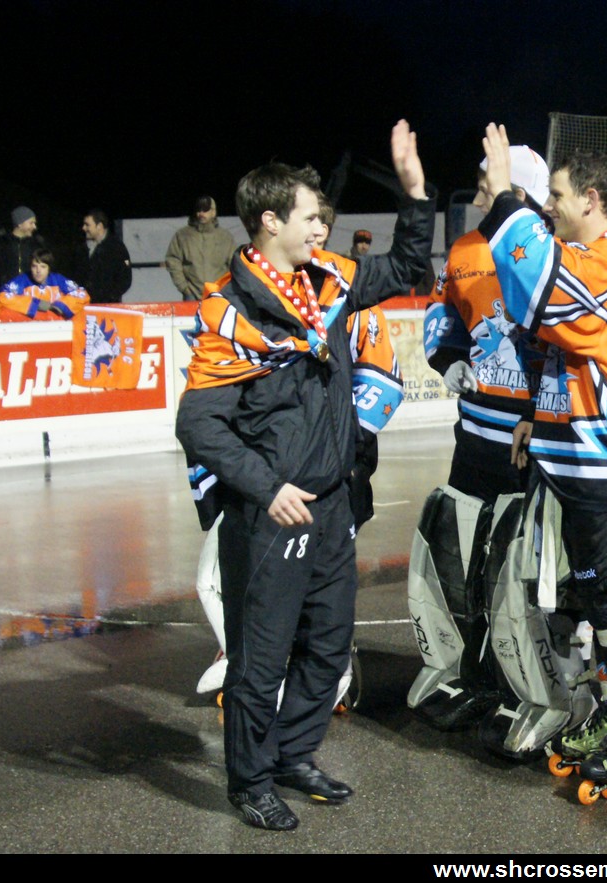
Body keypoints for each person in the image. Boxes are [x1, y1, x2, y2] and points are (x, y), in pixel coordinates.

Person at [175, 120, 433, 832]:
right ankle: (249, 779)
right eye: (311, 216)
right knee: (260, 661)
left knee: (327, 646)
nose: (322, 227)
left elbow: (405, 266)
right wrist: (266, 487)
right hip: (272, 515)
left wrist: (415, 195)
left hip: (332, 504)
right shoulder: (230, 313)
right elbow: (198, 425)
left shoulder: (330, 281)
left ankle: (292, 754)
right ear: (269, 221)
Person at [478, 125, 607, 800]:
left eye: (556, 196)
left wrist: (506, 196)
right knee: (595, 604)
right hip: (581, 467)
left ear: (591, 199)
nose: (548, 206)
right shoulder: (588, 253)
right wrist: (538, 413)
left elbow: (539, 282)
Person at [193, 195, 403, 714]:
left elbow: (384, 386)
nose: (317, 234)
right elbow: (214, 409)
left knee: (320, 589)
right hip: (266, 482)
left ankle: (332, 676)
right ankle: (257, 663)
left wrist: (334, 456)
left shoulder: (348, 297)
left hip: (332, 479)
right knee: (227, 580)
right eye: (310, 222)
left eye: (321, 225)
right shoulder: (244, 298)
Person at [408, 145, 548, 736]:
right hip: (475, 435)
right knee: (465, 557)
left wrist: (541, 415)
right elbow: (442, 313)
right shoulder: (465, 249)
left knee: (520, 568)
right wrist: (447, 361)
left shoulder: (547, 249)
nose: (480, 191)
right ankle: (471, 673)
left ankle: (529, 681)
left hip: (532, 444)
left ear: (523, 191)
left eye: (491, 182)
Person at [165, 196, 235, 301]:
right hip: (192, 295)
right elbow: (173, 260)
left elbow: (234, 264)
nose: (201, 213)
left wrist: (226, 288)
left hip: (219, 295)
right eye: (199, 210)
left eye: (205, 210)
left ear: (213, 212)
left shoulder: (225, 237)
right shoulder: (183, 235)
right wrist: (184, 288)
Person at [0, 249, 89, 320]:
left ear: (49, 268)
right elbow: (2, 297)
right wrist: (36, 304)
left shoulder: (58, 280)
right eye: (34, 266)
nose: (38, 271)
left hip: (56, 328)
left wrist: (60, 306)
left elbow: (82, 295)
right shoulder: (22, 280)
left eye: (43, 267)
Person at [74, 209, 132, 303]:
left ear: (99, 226)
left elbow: (125, 279)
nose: (83, 228)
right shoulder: (81, 249)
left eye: (87, 225)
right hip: (84, 304)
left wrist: (109, 297)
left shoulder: (116, 248)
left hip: (107, 306)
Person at [0, 206, 45, 285]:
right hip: (6, 289)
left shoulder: (36, 244)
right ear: (20, 224)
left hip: (30, 288)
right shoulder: (2, 243)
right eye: (31, 223)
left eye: (34, 223)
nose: (34, 227)